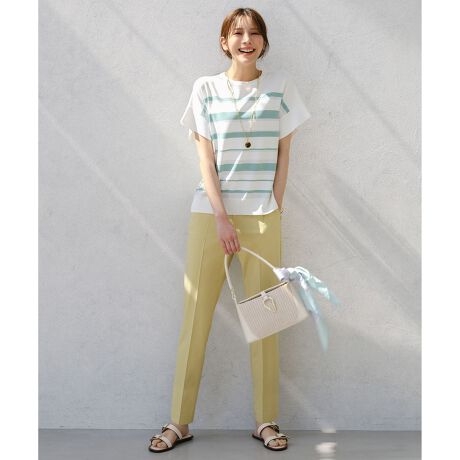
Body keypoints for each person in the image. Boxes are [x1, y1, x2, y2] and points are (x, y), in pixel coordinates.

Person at [148, 7, 311, 453]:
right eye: (237, 33)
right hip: (210, 216)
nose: (246, 39)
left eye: (254, 33)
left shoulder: (281, 88)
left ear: (263, 42)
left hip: (263, 216)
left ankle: (266, 421)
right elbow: (205, 159)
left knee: (268, 319)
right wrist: (221, 217)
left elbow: (285, 153)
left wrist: (274, 208)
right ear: (224, 42)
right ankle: (179, 421)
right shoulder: (205, 88)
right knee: (195, 319)